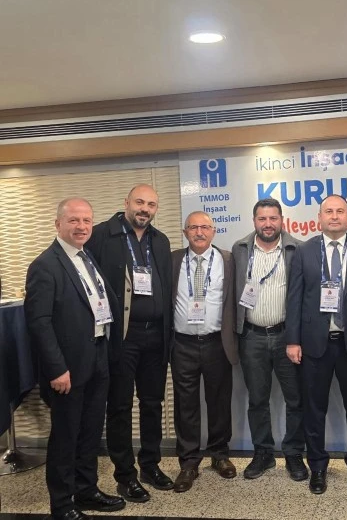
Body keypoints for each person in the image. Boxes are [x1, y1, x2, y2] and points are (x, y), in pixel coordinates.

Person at [24, 198, 125, 520]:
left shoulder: (86, 256)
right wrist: (56, 369)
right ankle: (62, 504)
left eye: (86, 221)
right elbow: (39, 323)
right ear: (58, 224)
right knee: (66, 437)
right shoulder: (45, 265)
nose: (81, 226)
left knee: (90, 432)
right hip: (67, 368)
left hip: (97, 357)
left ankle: (86, 490)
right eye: (74, 220)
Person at [285, 194, 347, 494]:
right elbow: (294, 299)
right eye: (328, 211)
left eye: (340, 211)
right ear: (319, 217)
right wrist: (292, 340)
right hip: (314, 345)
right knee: (314, 409)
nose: (334, 216)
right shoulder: (304, 251)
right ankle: (317, 467)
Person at [85, 184, 174, 501]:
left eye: (151, 204)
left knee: (152, 404)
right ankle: (125, 476)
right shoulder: (101, 235)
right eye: (139, 202)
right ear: (126, 202)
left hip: (156, 336)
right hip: (123, 337)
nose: (145, 209)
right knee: (120, 406)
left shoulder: (160, 240)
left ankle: (150, 465)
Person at [232, 198, 307, 481]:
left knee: (295, 400)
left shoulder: (297, 249)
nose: (267, 224)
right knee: (257, 400)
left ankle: (294, 453)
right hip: (252, 336)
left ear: (282, 220)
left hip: (288, 336)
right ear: (254, 221)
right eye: (262, 219)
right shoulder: (240, 249)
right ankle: (263, 453)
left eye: (273, 218)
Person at [170, 211, 237, 492]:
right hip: (182, 343)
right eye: (193, 227)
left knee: (219, 401)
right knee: (185, 404)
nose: (199, 232)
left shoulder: (228, 260)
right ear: (185, 232)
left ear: (213, 231)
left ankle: (219, 454)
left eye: (205, 227)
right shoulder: (172, 260)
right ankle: (188, 462)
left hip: (216, 342)